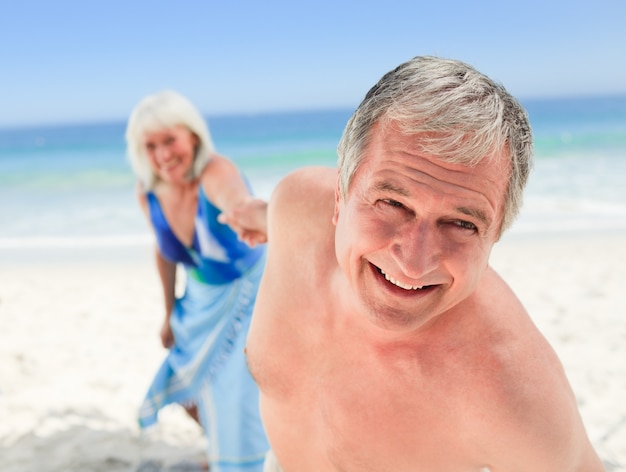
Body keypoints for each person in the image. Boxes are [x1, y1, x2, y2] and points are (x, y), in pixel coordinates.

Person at [221, 56, 604, 471]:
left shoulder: (509, 392)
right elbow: (285, 214)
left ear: (495, 239)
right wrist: (259, 220)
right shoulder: (295, 208)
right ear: (339, 198)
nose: (414, 263)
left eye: (461, 223)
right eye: (392, 203)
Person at [125, 90, 269, 471]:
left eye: (170, 140)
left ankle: (249, 459)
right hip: (200, 296)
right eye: (151, 146)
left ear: (193, 136)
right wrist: (168, 310)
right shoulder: (148, 190)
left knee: (239, 390)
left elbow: (240, 204)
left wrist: (267, 216)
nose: (163, 155)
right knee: (186, 383)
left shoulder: (215, 172)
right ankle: (220, 446)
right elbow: (164, 250)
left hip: (250, 291)